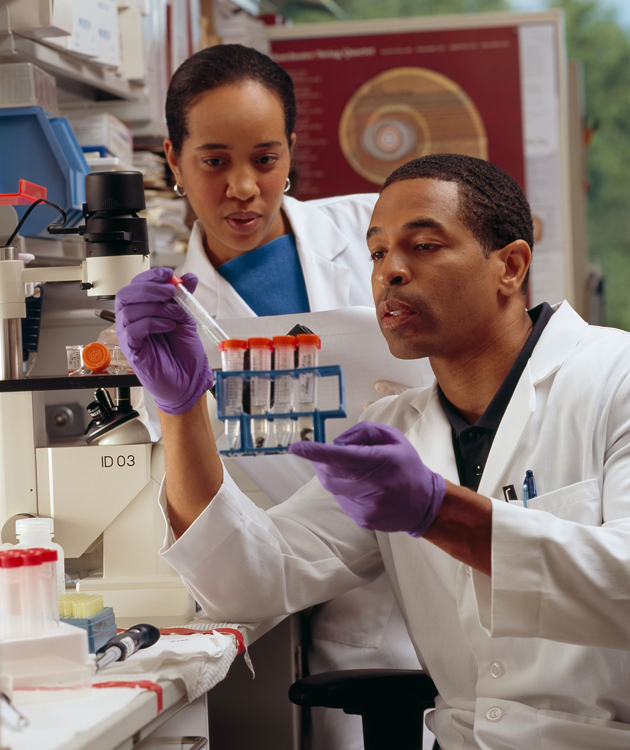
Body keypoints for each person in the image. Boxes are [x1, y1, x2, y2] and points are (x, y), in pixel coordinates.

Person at [116, 153, 630, 750]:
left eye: (424, 245)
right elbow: (249, 581)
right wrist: (181, 409)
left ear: (511, 267)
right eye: (378, 252)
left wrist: (440, 513)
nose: (390, 271)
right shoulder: (398, 428)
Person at [156, 43, 427, 750]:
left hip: (439, 558)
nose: (242, 186)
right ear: (173, 159)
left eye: (265, 158)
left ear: (291, 152)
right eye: (214, 161)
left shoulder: (377, 234)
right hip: (316, 604)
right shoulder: (169, 318)